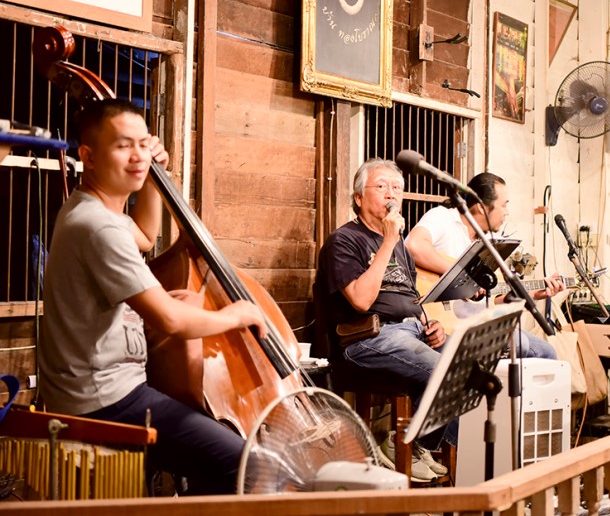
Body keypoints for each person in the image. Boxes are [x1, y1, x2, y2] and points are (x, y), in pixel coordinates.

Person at [41, 99, 269, 495]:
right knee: (245, 463)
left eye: (144, 144)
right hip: (103, 399)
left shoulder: (96, 210)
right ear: (88, 156)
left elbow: (145, 235)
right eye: (123, 146)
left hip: (108, 388)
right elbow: (172, 322)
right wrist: (236, 313)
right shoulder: (98, 227)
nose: (137, 155)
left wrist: (154, 176)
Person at [316, 158, 453, 482]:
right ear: (359, 198)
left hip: (409, 332)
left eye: (397, 188)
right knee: (444, 371)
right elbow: (362, 301)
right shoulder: (344, 241)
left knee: (468, 367)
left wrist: (429, 325)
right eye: (381, 186)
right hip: (365, 339)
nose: (391, 194)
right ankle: (408, 443)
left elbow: (409, 297)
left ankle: (417, 444)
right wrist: (390, 240)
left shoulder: (400, 249)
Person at [405, 172, 562, 359]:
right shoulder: (444, 218)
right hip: (438, 323)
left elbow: (488, 299)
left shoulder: (489, 242)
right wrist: (464, 275)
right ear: (481, 207)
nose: (507, 212)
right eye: (503, 205)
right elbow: (413, 246)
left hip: (471, 320)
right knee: (519, 343)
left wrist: (532, 294)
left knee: (547, 352)